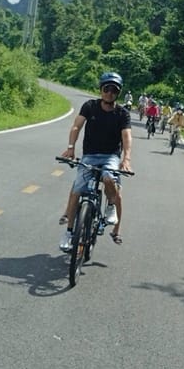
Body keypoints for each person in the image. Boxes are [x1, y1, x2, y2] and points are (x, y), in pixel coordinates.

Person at [58, 72, 133, 250]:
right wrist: (70, 147)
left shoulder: (122, 113)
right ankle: (69, 232)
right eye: (106, 89)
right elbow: (77, 125)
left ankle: (111, 210)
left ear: (118, 93)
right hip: (90, 156)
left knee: (109, 179)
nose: (110, 93)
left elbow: (126, 136)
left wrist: (126, 159)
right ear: (100, 90)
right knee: (77, 189)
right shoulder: (89, 106)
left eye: (114, 90)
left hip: (111, 157)